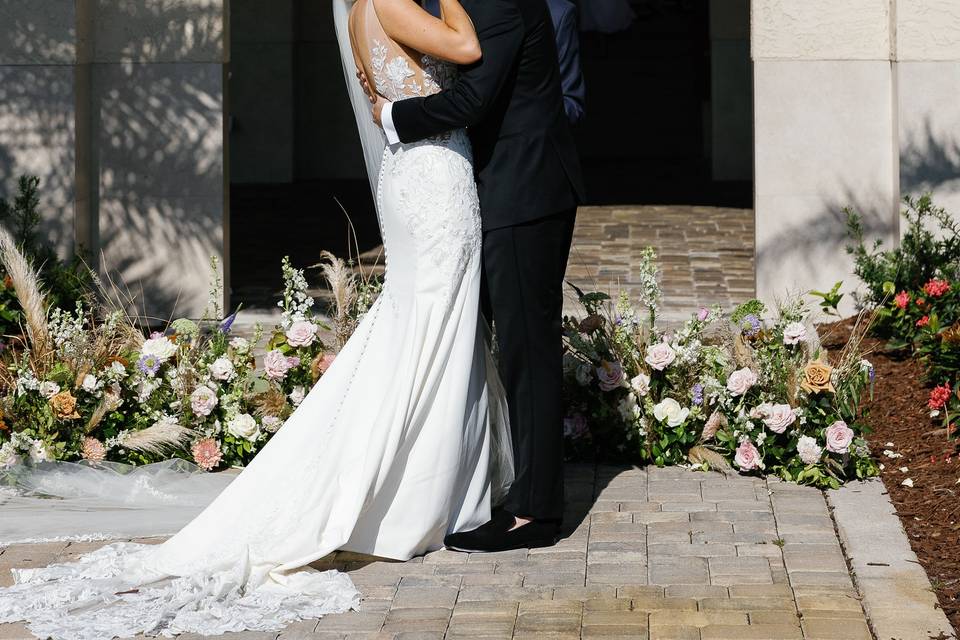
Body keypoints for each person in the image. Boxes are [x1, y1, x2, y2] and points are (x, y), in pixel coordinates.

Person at [0, 0, 516, 637]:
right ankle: (410, 499)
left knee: (430, 331)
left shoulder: (362, 10)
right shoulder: (389, 3)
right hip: (432, 179)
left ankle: (427, 485)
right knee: (430, 330)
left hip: (425, 178)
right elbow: (466, 50)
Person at [370, 0, 586, 552]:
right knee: (514, 345)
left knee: (528, 349)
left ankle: (535, 513)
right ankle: (517, 486)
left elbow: (472, 99)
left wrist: (392, 118)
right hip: (511, 189)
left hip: (524, 190)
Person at [421, 0, 585, 123]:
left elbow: (571, 103)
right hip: (446, 143)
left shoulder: (558, 12)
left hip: (519, 155)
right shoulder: (429, 11)